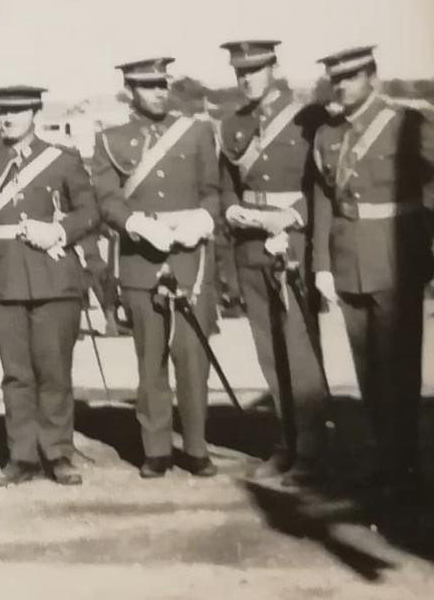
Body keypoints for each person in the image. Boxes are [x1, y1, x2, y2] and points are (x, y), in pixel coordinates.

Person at [0, 86, 98, 487]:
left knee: (54, 370)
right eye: (3, 110)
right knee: (16, 374)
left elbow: (89, 211)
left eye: (17, 110)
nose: (8, 117)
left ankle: (58, 453)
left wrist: (59, 231)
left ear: (35, 111)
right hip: (2, 276)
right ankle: (21, 456)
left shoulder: (62, 159)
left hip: (53, 275)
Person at [311, 45, 434, 500]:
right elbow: (324, 199)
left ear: (372, 77)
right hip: (348, 261)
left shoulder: (406, 123)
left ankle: (406, 465)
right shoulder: (326, 134)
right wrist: (322, 264)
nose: (341, 85)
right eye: (335, 78)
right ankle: (387, 460)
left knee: (399, 368)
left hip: (395, 257)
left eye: (351, 76)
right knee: (368, 370)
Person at [92, 58, 221, 479]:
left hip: (190, 255)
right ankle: (157, 449)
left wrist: (202, 219)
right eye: (148, 86)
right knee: (151, 360)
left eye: (162, 84)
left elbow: (212, 191)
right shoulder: (111, 139)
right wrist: (135, 224)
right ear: (130, 90)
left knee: (192, 356)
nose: (159, 92)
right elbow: (108, 200)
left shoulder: (198, 131)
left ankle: (198, 447)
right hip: (140, 257)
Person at [215, 40, 329, 486]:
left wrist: (293, 215)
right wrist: (230, 210)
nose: (247, 78)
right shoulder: (232, 125)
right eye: (240, 71)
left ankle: (313, 451)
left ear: (274, 67)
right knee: (269, 353)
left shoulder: (309, 118)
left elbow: (322, 183)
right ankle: (286, 444)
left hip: (291, 243)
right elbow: (225, 185)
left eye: (256, 69)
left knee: (299, 353)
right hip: (250, 247)